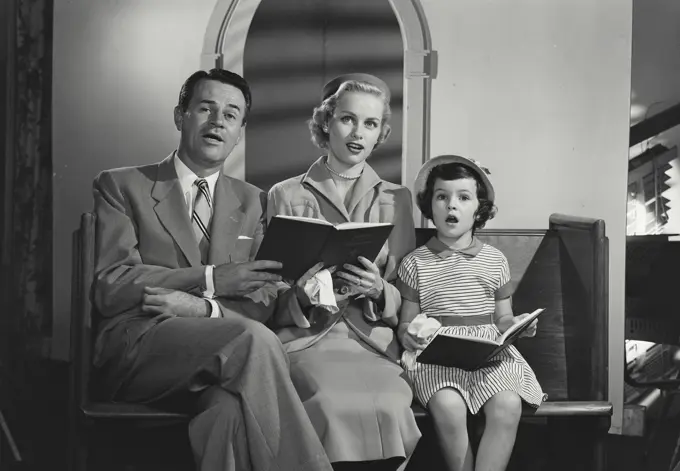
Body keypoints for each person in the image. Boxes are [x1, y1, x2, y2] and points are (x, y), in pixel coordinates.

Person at [91, 68, 333, 471]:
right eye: (206, 108)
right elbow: (111, 284)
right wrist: (210, 279)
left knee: (226, 412)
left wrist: (204, 310)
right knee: (254, 340)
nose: (218, 121)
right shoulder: (121, 185)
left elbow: (264, 294)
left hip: (222, 356)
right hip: (140, 349)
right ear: (179, 116)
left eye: (231, 114)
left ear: (239, 131)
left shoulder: (253, 201)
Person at [267, 74, 421, 470]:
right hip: (307, 339)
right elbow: (266, 287)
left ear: (380, 133)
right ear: (325, 122)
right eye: (347, 119)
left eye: (370, 124)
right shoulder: (285, 194)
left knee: (388, 402)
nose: (358, 133)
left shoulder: (396, 198)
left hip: (372, 341)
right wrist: (300, 295)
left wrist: (377, 290)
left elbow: (408, 291)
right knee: (329, 402)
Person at [396, 155, 546, 471]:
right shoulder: (415, 264)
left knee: (507, 403)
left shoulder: (494, 261)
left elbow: (502, 318)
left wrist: (516, 325)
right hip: (437, 355)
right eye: (442, 197)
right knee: (448, 405)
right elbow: (406, 323)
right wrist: (407, 334)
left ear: (478, 208)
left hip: (487, 353)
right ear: (430, 205)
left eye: (463, 198)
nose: (452, 206)